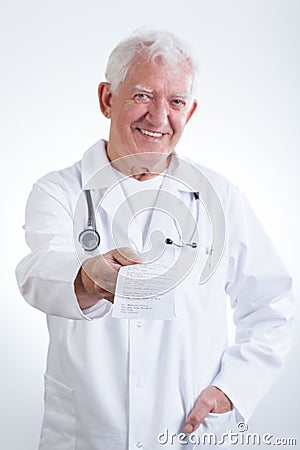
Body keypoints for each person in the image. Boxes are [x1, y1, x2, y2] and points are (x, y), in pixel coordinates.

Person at [16, 30, 294, 450]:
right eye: (143, 95)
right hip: (85, 435)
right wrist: (88, 277)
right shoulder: (59, 191)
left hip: (186, 432)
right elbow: (38, 272)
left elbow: (271, 304)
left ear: (191, 111)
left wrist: (233, 390)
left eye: (176, 101)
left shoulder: (220, 198)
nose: (159, 116)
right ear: (107, 99)